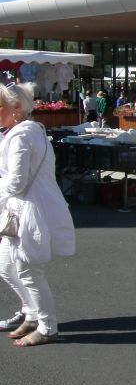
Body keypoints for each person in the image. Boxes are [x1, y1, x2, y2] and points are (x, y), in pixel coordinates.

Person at [0, 82, 75, 347]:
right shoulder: (26, 131)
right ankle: (32, 315)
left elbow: (16, 182)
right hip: (21, 210)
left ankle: (47, 326)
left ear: (16, 108)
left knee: (28, 271)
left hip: (30, 211)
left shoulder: (22, 135)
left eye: (0, 105)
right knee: (7, 266)